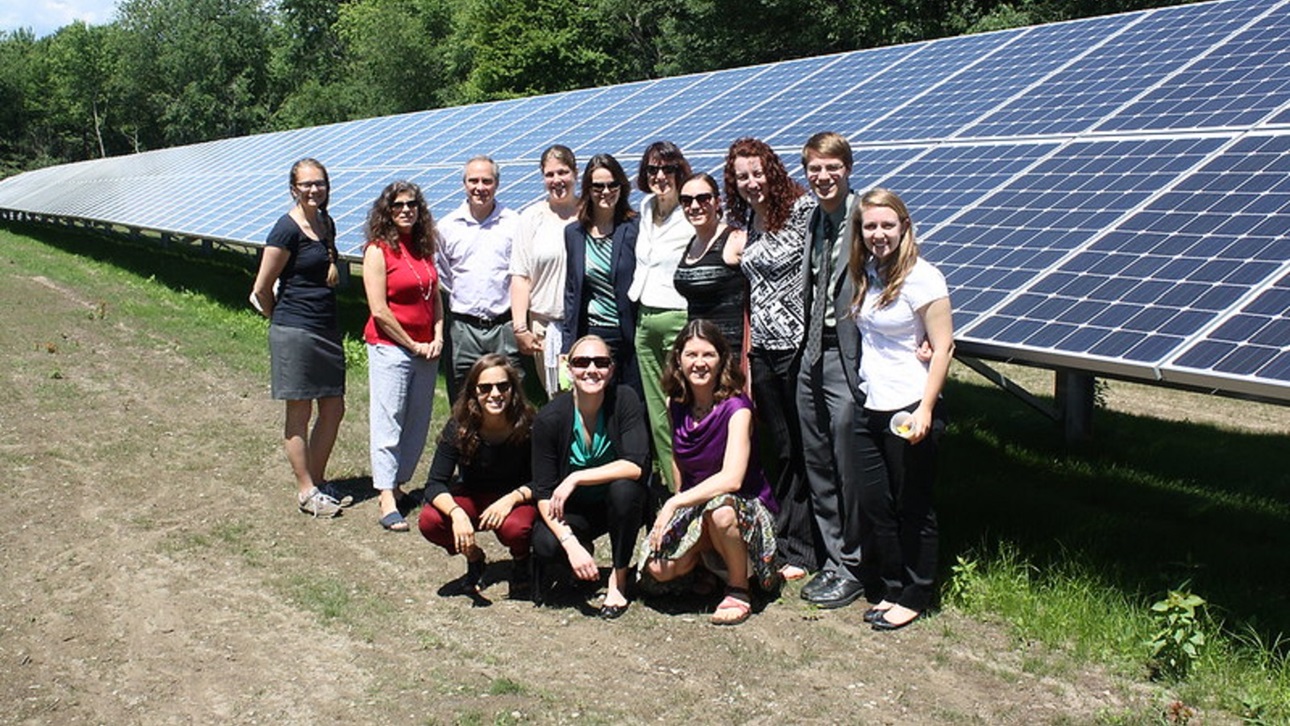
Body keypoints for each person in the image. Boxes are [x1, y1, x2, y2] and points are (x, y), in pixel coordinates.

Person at [847, 189, 953, 631]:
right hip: (871, 401)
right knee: (876, 502)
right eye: (870, 226)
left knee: (913, 505)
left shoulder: (924, 278)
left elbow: (944, 345)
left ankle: (915, 592)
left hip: (910, 403)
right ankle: (891, 586)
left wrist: (927, 407)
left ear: (904, 227)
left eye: (887, 225)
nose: (878, 234)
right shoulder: (869, 273)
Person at [640, 320, 779, 625]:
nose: (699, 363)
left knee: (721, 511)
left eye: (708, 355)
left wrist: (675, 504)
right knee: (659, 570)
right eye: (691, 355)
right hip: (696, 504)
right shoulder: (675, 403)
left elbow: (733, 479)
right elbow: (679, 461)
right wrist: (679, 502)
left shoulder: (737, 408)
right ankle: (706, 565)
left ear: (722, 360)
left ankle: (739, 587)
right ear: (679, 359)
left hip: (742, 507)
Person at [726, 137, 819, 582]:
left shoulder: (802, 211)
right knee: (779, 449)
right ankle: (788, 541)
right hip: (762, 350)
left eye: (757, 173)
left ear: (773, 171)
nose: (751, 182)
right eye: (742, 176)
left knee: (804, 448)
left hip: (798, 348)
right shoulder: (750, 220)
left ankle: (806, 548)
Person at [794, 131, 870, 608]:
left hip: (850, 353)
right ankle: (833, 557)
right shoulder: (813, 221)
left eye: (831, 168)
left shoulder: (867, 219)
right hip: (812, 352)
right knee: (817, 458)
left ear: (848, 169)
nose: (823, 177)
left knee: (848, 462)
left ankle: (856, 564)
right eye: (814, 170)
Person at [250, 157, 348, 518]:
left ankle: (318, 479)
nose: (313, 190)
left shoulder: (326, 223)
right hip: (295, 330)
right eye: (306, 184)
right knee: (300, 410)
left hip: (326, 329)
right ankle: (305, 490)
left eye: (319, 183)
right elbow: (261, 288)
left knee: (334, 407)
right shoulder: (285, 229)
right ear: (294, 188)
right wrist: (279, 318)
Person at [530, 335, 649, 618]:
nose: (592, 369)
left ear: (612, 369)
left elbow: (635, 465)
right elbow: (544, 493)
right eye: (582, 362)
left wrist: (576, 477)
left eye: (601, 362)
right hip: (575, 511)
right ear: (569, 369)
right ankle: (582, 554)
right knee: (547, 544)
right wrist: (571, 546)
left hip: (618, 504)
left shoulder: (625, 400)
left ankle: (618, 579)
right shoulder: (550, 419)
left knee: (624, 490)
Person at [418, 355, 538, 599]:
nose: (495, 394)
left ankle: (522, 561)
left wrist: (511, 500)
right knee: (430, 521)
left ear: (513, 389)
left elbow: (544, 481)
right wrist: (456, 513)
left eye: (503, 386)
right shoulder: (459, 426)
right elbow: (434, 483)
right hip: (472, 497)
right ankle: (474, 557)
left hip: (516, 502)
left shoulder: (530, 425)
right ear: (474, 392)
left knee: (517, 529)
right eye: (485, 388)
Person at [361, 181, 444, 531]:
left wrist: (438, 336)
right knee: (389, 419)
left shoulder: (424, 249)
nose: (406, 210)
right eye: (397, 206)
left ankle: (399, 482)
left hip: (427, 350)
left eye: (411, 204)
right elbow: (379, 310)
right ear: (387, 211)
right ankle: (385, 496)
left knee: (417, 421)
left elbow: (435, 297)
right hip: (391, 348)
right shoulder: (378, 251)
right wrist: (412, 344)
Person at [627, 141, 693, 492]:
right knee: (657, 413)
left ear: (680, 171)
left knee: (680, 406)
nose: (660, 176)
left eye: (667, 169)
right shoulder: (646, 206)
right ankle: (673, 489)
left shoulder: (691, 209)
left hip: (677, 316)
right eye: (652, 169)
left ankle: (693, 488)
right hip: (645, 316)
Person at [436, 155, 523, 401]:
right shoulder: (447, 226)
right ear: (464, 184)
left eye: (487, 181)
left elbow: (522, 273)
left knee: (508, 398)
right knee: (463, 398)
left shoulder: (515, 223)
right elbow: (444, 275)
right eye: (473, 180)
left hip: (503, 326)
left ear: (497, 184)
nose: (480, 187)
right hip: (463, 329)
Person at [560, 154, 641, 394]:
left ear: (622, 187)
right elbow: (572, 292)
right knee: (596, 405)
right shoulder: (574, 233)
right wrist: (568, 344)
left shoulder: (635, 227)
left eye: (612, 185)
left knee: (632, 404)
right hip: (593, 333)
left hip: (629, 335)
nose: (605, 192)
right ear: (588, 189)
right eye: (598, 186)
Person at [511, 145, 578, 402]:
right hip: (545, 327)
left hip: (584, 323)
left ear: (575, 174)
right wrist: (520, 327)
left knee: (589, 398)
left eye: (563, 172)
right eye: (550, 174)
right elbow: (520, 276)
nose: (557, 180)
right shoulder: (531, 218)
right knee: (558, 399)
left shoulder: (589, 214)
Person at [673, 172, 747, 358]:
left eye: (703, 198)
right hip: (698, 351)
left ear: (717, 201)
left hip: (730, 353)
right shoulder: (691, 244)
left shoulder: (735, 240)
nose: (695, 206)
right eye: (687, 200)